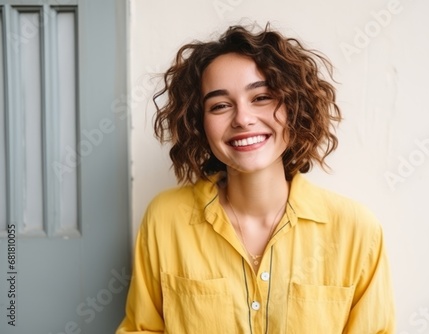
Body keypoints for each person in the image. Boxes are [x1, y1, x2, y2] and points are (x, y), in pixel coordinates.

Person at [116, 23, 395, 334]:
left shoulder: (355, 229)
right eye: (220, 105)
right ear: (199, 123)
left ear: (294, 106)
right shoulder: (166, 219)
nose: (243, 119)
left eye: (261, 97)